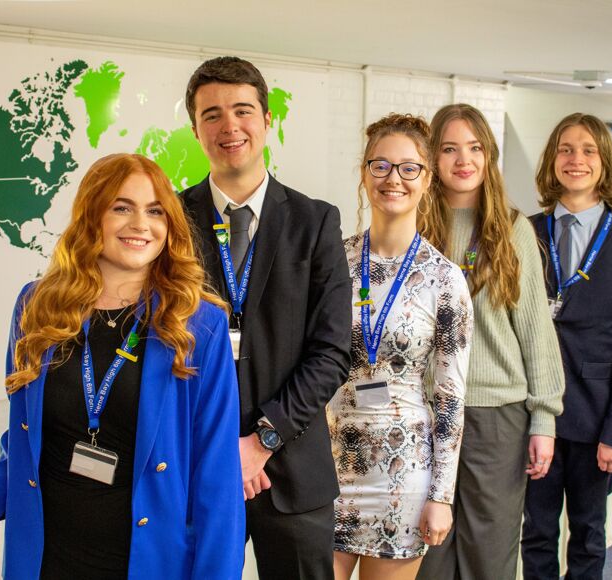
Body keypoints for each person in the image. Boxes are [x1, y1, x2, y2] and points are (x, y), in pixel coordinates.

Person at [0, 153, 244, 579]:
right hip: (49, 556)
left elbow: (217, 474)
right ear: (91, 215)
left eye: (155, 210)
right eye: (122, 207)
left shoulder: (197, 323)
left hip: (145, 559)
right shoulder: (37, 305)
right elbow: (28, 431)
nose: (141, 224)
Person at [180, 56, 352, 580]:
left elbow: (331, 353)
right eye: (212, 114)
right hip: (193, 469)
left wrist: (259, 442)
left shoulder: (315, 221)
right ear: (194, 128)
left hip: (293, 470)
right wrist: (220, 449)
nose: (229, 126)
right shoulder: (171, 220)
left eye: (242, 110)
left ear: (267, 118)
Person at [416, 104, 564, 580]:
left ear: (489, 155)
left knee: (489, 551)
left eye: (475, 148)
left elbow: (536, 334)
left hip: (495, 414)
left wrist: (544, 418)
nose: (464, 160)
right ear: (433, 158)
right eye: (450, 148)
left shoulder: (512, 229)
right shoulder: (415, 226)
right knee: (427, 549)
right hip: (425, 408)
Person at [327, 113, 473, 580]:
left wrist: (441, 495)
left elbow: (450, 396)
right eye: (381, 165)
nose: (394, 179)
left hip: (402, 472)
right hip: (327, 464)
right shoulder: (332, 261)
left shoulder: (445, 279)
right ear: (364, 173)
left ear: (427, 179)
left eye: (409, 168)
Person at [522, 113, 612, 580]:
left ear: (605, 163)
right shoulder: (524, 233)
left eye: (587, 150)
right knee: (535, 534)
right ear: (552, 160)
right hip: (535, 415)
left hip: (596, 422)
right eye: (565, 149)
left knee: (588, 536)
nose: (575, 159)